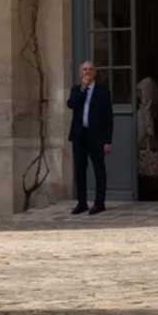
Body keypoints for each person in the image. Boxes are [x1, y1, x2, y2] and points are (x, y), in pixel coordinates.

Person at [69, 59, 114, 213]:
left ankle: (99, 203)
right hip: (79, 136)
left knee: (99, 170)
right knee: (80, 170)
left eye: (90, 69)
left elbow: (108, 117)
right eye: (84, 69)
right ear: (80, 73)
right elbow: (71, 104)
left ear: (94, 73)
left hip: (96, 136)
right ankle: (82, 203)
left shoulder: (102, 91)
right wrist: (83, 88)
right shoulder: (76, 90)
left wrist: (108, 140)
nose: (87, 72)